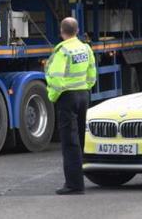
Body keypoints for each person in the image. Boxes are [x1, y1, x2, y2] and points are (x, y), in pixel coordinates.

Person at [46, 17, 97, 195]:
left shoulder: (63, 51)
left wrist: (53, 96)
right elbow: (92, 73)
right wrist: (86, 87)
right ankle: (78, 181)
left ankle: (74, 185)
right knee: (79, 140)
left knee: (69, 142)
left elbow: (56, 77)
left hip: (67, 97)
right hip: (83, 94)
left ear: (62, 31)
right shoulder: (85, 48)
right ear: (77, 31)